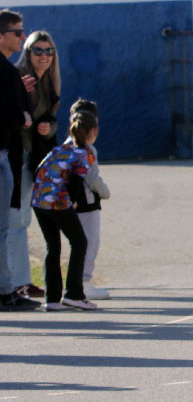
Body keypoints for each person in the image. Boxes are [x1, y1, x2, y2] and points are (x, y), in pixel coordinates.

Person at [8, 31, 62, 299]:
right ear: (27, 53)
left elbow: (49, 119)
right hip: (15, 154)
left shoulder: (48, 83)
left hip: (32, 155)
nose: (43, 56)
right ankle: (14, 282)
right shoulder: (18, 77)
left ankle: (20, 280)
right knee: (15, 220)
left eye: (48, 51)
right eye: (37, 51)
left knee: (21, 220)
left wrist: (48, 126)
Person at [31, 110, 100, 311]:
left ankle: (52, 298)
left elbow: (41, 171)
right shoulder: (85, 152)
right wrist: (73, 201)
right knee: (79, 242)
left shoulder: (61, 148)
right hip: (58, 202)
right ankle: (74, 294)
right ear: (93, 131)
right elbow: (77, 180)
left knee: (53, 246)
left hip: (39, 201)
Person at [0, 9, 39, 310]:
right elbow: (9, 114)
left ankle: (7, 289)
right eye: (17, 32)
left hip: (5, 152)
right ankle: (5, 292)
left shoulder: (8, 71)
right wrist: (22, 117)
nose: (22, 37)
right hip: (1, 154)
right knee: (2, 227)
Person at [67, 99, 111, 301]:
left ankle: (75, 281)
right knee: (89, 242)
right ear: (95, 128)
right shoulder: (88, 150)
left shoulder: (66, 146)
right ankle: (83, 281)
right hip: (86, 202)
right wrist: (104, 192)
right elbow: (92, 177)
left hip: (70, 202)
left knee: (76, 242)